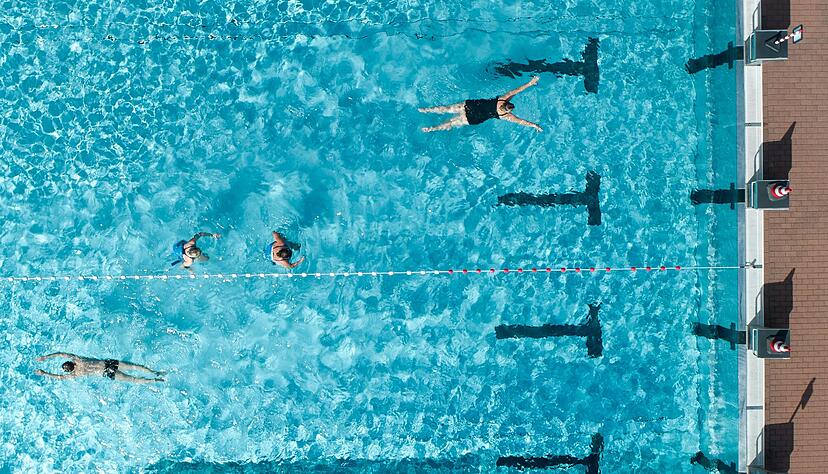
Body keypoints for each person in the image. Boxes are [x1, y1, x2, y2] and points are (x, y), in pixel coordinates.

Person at [419, 76, 543, 133]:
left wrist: (531, 83)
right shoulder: (505, 115)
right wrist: (534, 125)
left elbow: (517, 90)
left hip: (471, 106)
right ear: (508, 110)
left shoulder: (502, 98)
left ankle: (426, 110)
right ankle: (431, 129)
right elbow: (521, 121)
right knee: (451, 123)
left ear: (507, 102)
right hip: (473, 118)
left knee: (447, 108)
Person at [35, 352, 165, 384]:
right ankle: (155, 373)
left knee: (133, 379)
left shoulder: (76, 373)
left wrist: (44, 373)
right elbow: (60, 353)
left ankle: (154, 381)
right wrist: (45, 357)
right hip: (108, 364)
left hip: (106, 372)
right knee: (134, 367)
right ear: (71, 362)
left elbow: (60, 377)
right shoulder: (77, 359)